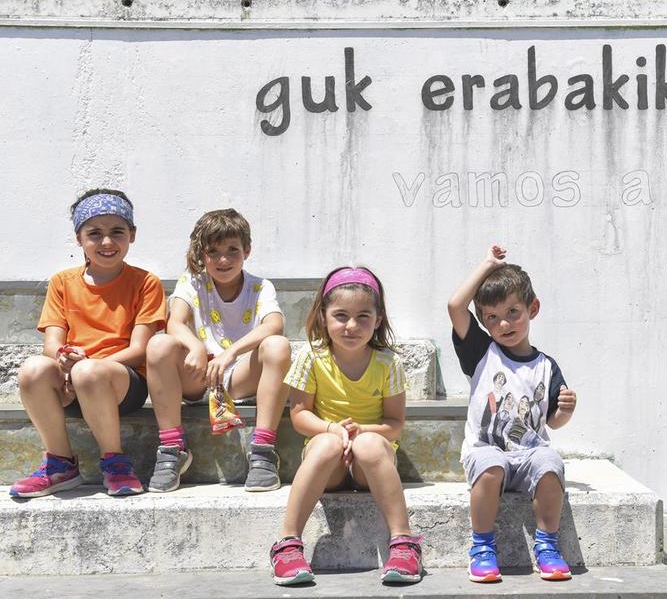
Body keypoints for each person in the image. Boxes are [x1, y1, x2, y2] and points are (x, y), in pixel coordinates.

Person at [269, 266, 423, 586]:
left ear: (377, 320)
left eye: (363, 316)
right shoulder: (311, 357)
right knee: (327, 444)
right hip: (331, 461)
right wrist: (333, 431)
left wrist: (362, 432)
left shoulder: (387, 362)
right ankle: (287, 543)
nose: (351, 326)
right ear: (323, 316)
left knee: (366, 446)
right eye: (341, 315)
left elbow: (394, 425)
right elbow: (299, 416)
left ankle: (404, 542)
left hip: (372, 460)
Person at [9, 189, 166, 498]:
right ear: (79, 239)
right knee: (33, 369)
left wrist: (85, 367)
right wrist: (65, 360)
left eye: (117, 232)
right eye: (95, 234)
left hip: (122, 382)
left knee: (89, 373)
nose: (107, 242)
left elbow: (138, 350)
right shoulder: (62, 282)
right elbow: (52, 344)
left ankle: (115, 462)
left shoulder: (146, 283)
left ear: (131, 235)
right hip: (72, 381)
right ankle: (59, 464)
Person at [447, 245, 578, 582]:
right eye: (491, 317)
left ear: (532, 309)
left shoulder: (546, 366)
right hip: (486, 451)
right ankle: (482, 547)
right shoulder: (481, 352)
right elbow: (455, 305)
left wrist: (565, 411)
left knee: (551, 463)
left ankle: (547, 545)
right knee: (491, 465)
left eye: (512, 312)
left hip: (530, 451)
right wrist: (487, 264)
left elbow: (552, 422)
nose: (503, 323)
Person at [145, 209, 292, 493]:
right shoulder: (192, 282)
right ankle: (172, 448)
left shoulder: (260, 287)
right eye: (213, 252)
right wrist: (196, 346)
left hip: (238, 377)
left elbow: (274, 325)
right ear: (202, 254)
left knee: (278, 346)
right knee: (159, 344)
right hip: (197, 376)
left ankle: (262, 451)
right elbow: (174, 321)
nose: (223, 260)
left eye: (232, 250)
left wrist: (232, 352)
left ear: (247, 251)